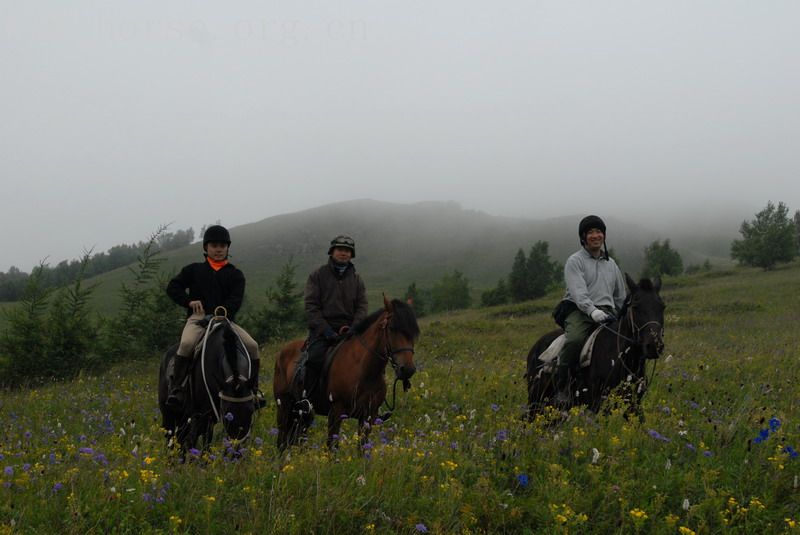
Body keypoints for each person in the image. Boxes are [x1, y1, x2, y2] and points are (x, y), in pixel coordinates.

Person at [165, 225, 260, 410]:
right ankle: (177, 388)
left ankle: (253, 390)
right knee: (186, 344)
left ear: (227, 248)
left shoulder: (236, 274)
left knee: (253, 346)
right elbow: (173, 287)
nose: (218, 249)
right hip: (198, 320)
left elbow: (235, 300)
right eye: (214, 245)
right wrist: (188, 302)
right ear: (206, 248)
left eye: (222, 246)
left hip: (224, 321)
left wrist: (222, 313)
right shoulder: (193, 270)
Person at [553, 215, 626, 406]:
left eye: (599, 231)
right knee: (575, 339)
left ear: (604, 235)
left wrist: (623, 314)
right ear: (583, 237)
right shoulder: (575, 261)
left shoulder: (611, 264)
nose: (596, 236)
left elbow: (620, 296)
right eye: (591, 232)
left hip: (608, 313)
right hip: (580, 311)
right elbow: (578, 293)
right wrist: (592, 311)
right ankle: (562, 386)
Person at [296, 235, 368, 412]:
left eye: (347, 251)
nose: (343, 253)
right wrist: (326, 330)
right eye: (340, 250)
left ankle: (370, 402)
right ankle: (307, 399)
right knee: (314, 357)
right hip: (323, 330)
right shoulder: (318, 275)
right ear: (332, 252)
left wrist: (354, 327)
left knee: (371, 357)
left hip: (350, 330)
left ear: (351, 255)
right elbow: (311, 306)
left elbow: (362, 306)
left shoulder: (357, 280)